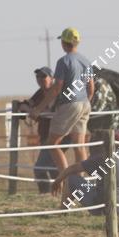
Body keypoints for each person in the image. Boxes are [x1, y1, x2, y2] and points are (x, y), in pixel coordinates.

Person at [30, 28, 93, 182]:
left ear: (64, 43)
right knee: (79, 145)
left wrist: (38, 109)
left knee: (52, 143)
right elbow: (91, 87)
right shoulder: (86, 61)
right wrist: (85, 102)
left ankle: (65, 180)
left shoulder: (63, 61)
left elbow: (57, 88)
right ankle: (80, 180)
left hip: (69, 104)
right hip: (85, 103)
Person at [52, 132, 119, 215]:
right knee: (96, 187)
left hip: (105, 210)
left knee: (71, 178)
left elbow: (73, 168)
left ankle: (63, 211)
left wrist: (58, 180)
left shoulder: (107, 157)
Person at [14, 67, 57, 193]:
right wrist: (24, 106)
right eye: (38, 76)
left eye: (43, 76)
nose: (40, 79)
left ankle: (46, 194)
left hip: (56, 135)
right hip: (45, 134)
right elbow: (30, 103)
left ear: (52, 78)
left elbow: (49, 112)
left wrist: (30, 111)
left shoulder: (57, 92)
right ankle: (58, 193)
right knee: (52, 167)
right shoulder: (40, 92)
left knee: (40, 168)